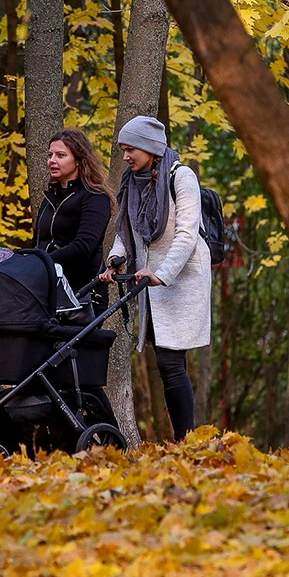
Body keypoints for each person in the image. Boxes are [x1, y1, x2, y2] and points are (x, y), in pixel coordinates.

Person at [100, 115, 211, 441]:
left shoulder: (182, 177)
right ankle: (186, 439)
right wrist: (116, 258)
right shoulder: (132, 181)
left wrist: (163, 275)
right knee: (168, 362)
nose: (125, 156)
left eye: (130, 148)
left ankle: (185, 441)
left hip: (182, 278)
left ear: (150, 148)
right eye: (122, 149)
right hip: (150, 276)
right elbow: (127, 228)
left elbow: (188, 234)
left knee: (170, 361)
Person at [33, 127, 113, 292]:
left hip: (83, 291)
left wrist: (41, 262)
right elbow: (38, 242)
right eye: (50, 155)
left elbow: (83, 246)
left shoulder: (95, 197)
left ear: (78, 159)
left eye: (60, 155)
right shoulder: (49, 199)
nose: (52, 161)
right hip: (45, 286)